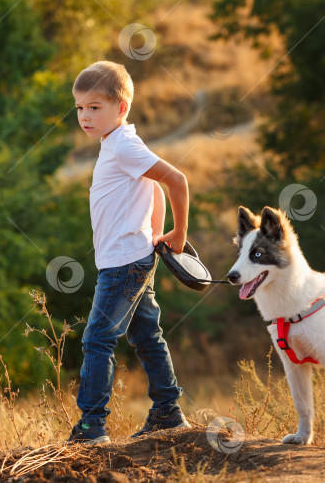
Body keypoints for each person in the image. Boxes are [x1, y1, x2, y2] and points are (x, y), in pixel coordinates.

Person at [67, 60, 191, 444]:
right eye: (80, 109)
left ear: (121, 108)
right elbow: (152, 187)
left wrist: (178, 234)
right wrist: (154, 232)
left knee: (97, 339)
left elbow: (176, 180)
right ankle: (168, 412)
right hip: (132, 257)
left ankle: (91, 426)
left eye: (95, 108)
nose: (85, 117)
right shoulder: (117, 145)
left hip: (123, 263)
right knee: (147, 336)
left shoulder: (122, 145)